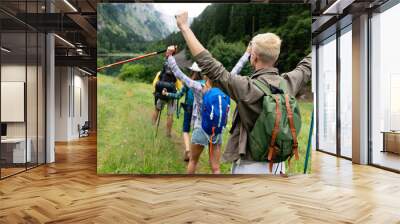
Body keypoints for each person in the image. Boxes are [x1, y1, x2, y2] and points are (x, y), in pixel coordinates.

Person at [175, 11, 312, 174]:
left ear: (253, 58)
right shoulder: (289, 82)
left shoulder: (246, 87)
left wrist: (184, 27)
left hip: (249, 167)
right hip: (278, 166)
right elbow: (308, 64)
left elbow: (211, 68)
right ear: (276, 57)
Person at [162, 62, 203, 161]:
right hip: (201, 109)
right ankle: (193, 153)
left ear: (192, 71)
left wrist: (167, 94)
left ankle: (188, 150)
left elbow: (178, 96)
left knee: (185, 130)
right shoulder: (204, 84)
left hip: (188, 107)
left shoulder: (188, 82)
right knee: (195, 130)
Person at [151, 63, 182, 137]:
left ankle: (152, 127)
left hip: (161, 95)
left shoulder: (160, 73)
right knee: (170, 115)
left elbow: (154, 84)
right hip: (171, 97)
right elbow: (180, 87)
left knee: (157, 110)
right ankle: (168, 133)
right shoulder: (175, 74)